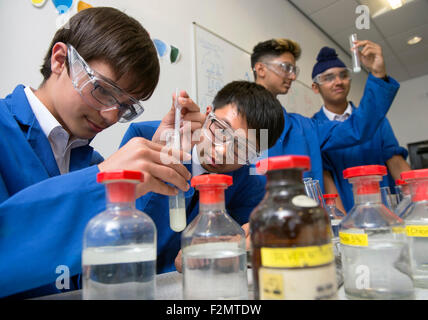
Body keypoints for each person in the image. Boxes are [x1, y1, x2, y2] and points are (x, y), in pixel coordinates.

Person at [0, 7, 203, 299]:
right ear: (60, 60)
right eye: (104, 91)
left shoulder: (89, 161)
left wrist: (161, 164)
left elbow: (133, 259)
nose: (110, 115)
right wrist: (101, 182)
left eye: (125, 106)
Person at [120, 81, 285, 274]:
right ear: (208, 114)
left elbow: (246, 242)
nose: (223, 150)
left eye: (242, 148)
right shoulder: (145, 139)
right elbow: (119, 219)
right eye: (221, 130)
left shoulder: (248, 183)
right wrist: (167, 165)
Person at [250, 38, 400, 192]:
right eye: (286, 68)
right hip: (257, 215)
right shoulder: (237, 123)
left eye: (294, 70)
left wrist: (378, 74)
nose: (293, 76)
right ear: (261, 69)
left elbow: (357, 128)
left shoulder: (305, 128)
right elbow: (237, 185)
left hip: (307, 215)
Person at [311, 46, 410, 213]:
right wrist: (343, 226)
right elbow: (325, 181)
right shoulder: (314, 129)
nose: (338, 82)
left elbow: (396, 162)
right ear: (315, 87)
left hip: (385, 213)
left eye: (343, 75)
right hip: (347, 217)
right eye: (328, 78)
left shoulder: (377, 121)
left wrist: (419, 201)